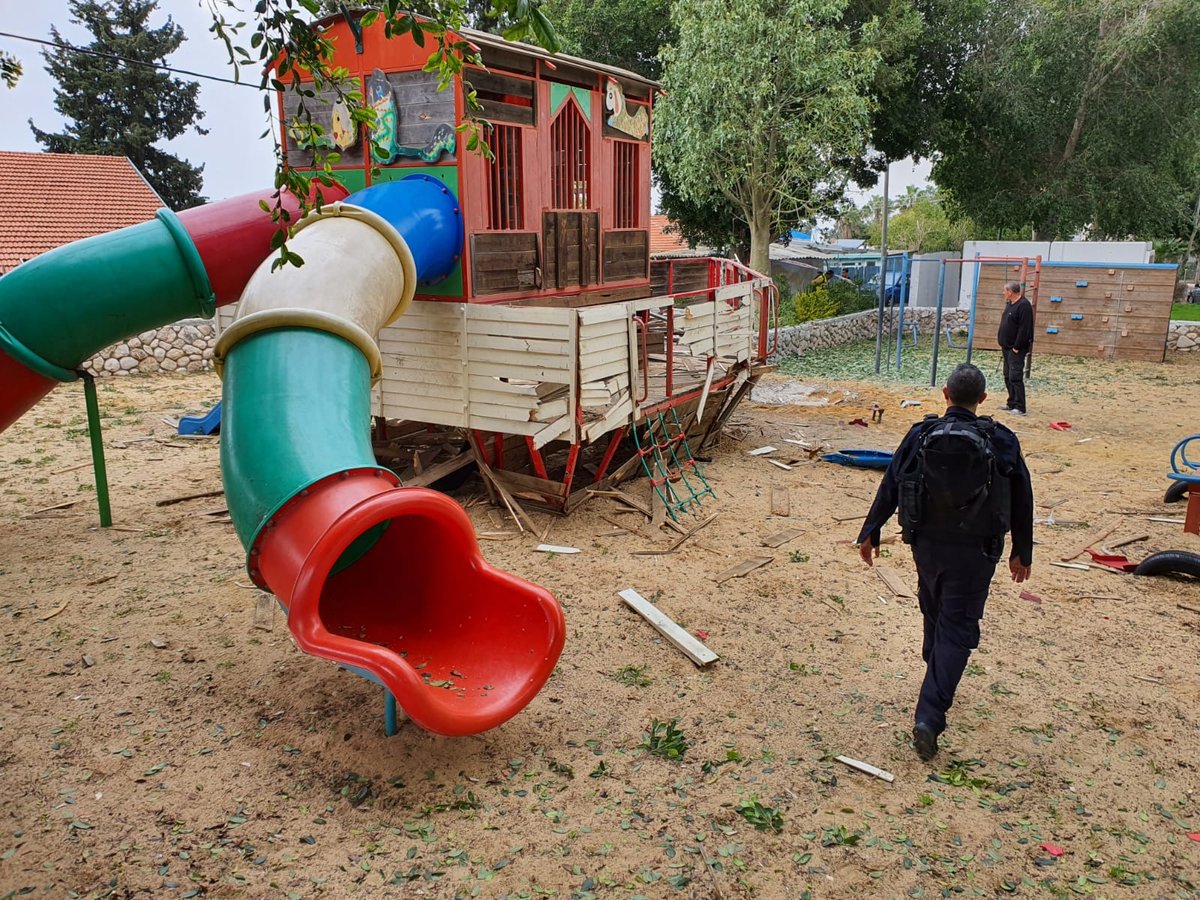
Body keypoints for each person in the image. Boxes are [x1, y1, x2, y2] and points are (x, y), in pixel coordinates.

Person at [856, 363, 1033, 761]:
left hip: (927, 546)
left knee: (934, 608)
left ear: (944, 394)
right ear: (983, 400)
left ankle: (936, 670)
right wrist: (1024, 550)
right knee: (956, 628)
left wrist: (870, 530)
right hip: (976, 551)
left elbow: (892, 481)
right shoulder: (1002, 438)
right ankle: (930, 717)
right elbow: (1023, 495)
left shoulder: (921, 433)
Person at [996, 281, 1033, 415]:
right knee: (1007, 375)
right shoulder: (1010, 304)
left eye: (1004, 291)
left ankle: (1020, 407)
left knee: (1015, 376)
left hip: (1016, 348)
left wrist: (1017, 346)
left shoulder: (1024, 306)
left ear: (1010, 292)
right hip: (1006, 347)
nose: (1003, 293)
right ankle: (1011, 402)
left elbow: (1025, 329)